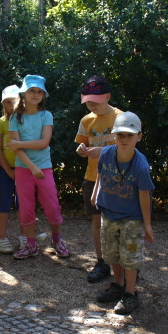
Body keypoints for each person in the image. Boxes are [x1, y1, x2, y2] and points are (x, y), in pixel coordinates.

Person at [91, 111, 155, 315]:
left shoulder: (141, 166)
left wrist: (147, 224)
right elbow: (100, 172)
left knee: (130, 256)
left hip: (131, 218)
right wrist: (95, 192)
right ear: (114, 135)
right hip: (109, 212)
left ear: (139, 137)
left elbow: (145, 195)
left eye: (129, 135)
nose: (124, 139)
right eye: (120, 134)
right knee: (112, 253)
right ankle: (118, 285)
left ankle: (130, 293)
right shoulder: (106, 153)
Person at [8, 75, 71, 259]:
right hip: (24, 169)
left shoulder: (46, 115)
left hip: (44, 168)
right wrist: (32, 167)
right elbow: (15, 149)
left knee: (52, 206)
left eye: (39, 91)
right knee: (26, 208)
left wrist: (19, 144)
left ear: (43, 95)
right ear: (23, 93)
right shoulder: (15, 118)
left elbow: (44, 143)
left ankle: (57, 240)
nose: (35, 94)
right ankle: (30, 245)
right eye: (32, 91)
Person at [75, 76, 123, 283]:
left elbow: (127, 149)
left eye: (96, 100)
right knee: (97, 222)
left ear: (108, 97)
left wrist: (102, 151)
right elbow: (84, 145)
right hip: (92, 177)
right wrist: (82, 150)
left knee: (119, 223)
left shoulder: (121, 118)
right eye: (88, 102)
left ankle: (125, 264)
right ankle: (101, 262)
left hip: (117, 179)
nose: (92, 105)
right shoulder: (86, 120)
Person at [0, 85, 27, 254]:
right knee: (5, 202)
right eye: (8, 102)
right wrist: (8, 170)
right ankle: (3, 238)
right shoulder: (0, 122)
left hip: (23, 168)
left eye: (14, 101)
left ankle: (24, 237)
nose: (11, 105)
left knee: (23, 204)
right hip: (6, 169)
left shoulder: (26, 120)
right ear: (3, 104)